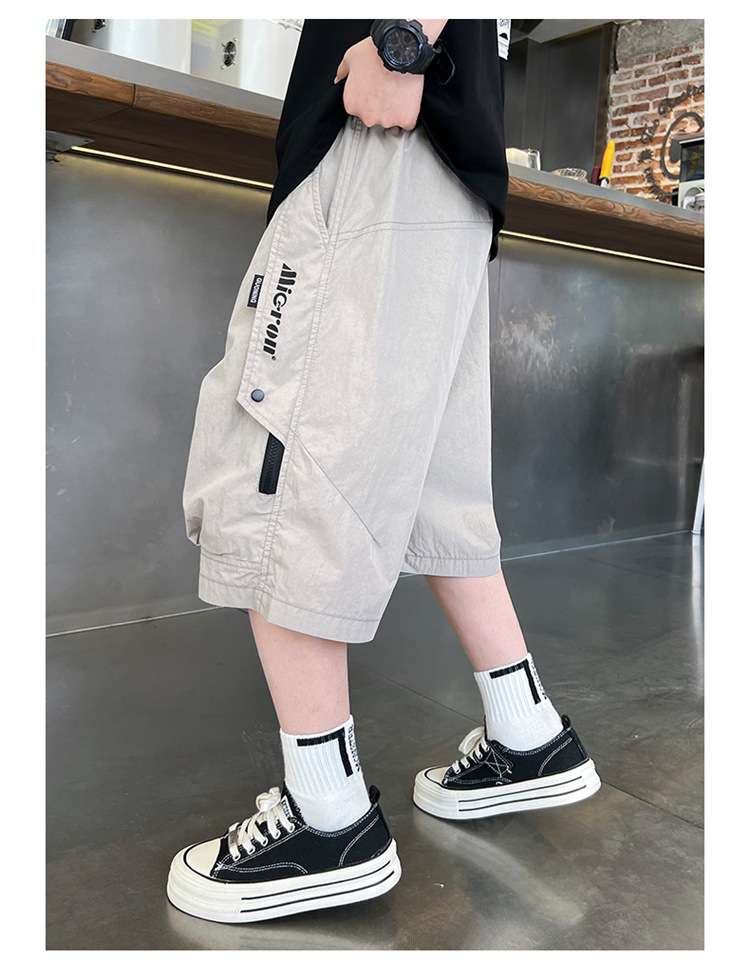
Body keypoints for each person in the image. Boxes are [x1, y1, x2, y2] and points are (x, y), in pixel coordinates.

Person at [167, 19, 600, 925]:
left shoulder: (399, 67)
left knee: (279, 465)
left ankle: (329, 816)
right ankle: (527, 730)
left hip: (383, 138)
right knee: (436, 483)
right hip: (448, 170)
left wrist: (402, 42)